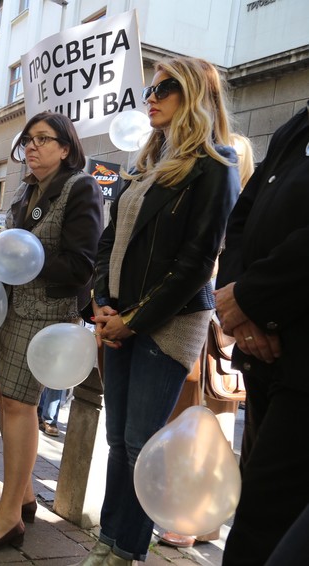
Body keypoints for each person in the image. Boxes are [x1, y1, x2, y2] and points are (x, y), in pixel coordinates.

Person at [82, 57, 240, 566]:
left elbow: (197, 263)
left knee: (140, 444)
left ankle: (125, 551)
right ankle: (108, 541)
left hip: (168, 323)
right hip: (119, 316)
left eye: (164, 88)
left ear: (193, 95)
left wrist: (132, 320)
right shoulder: (145, 164)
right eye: (149, 89)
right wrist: (102, 303)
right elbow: (109, 240)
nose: (150, 97)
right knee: (117, 439)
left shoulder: (216, 165)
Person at [0, 112, 103, 552]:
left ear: (66, 147)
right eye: (28, 139)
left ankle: (9, 520)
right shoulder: (27, 189)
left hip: (44, 314)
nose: (32, 146)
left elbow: (81, 265)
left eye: (43, 138)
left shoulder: (81, 187)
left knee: (20, 405)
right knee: (6, 399)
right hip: (12, 309)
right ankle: (21, 499)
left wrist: (19, 257)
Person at [215, 103, 309, 566]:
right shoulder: (297, 126)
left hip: (301, 358)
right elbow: (242, 217)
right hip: (264, 353)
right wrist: (238, 302)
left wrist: (251, 298)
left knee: (267, 513)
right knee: (254, 499)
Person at [156, 131, 256, 550]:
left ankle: (198, 517)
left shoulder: (239, 208)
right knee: (194, 424)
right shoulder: (229, 204)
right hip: (208, 330)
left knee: (207, 426)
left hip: (217, 333)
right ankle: (196, 516)